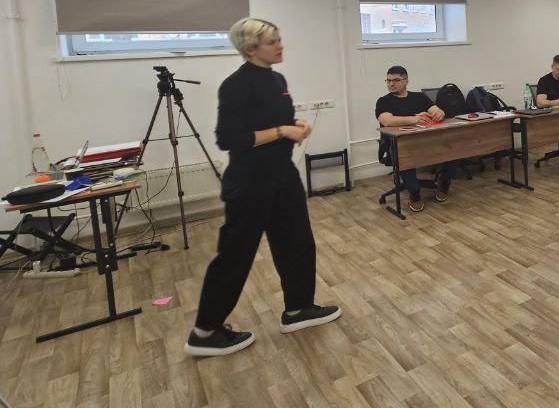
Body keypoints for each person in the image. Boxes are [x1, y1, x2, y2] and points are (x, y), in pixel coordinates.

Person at [185, 18, 340, 357]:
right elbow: (229, 138)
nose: (280, 46)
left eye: (279, 39)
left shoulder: (276, 79)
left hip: (282, 174)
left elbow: (272, 121)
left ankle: (298, 309)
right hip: (250, 180)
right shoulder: (236, 85)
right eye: (272, 42)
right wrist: (283, 131)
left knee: (297, 242)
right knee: (236, 254)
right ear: (250, 48)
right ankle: (205, 332)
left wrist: (296, 125)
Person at [375, 65, 459, 211]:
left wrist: (439, 113)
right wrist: (414, 119)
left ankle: (444, 182)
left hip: (426, 141)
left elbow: (436, 110)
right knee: (404, 154)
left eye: (396, 80)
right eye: (388, 80)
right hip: (399, 144)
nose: (391, 84)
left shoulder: (419, 97)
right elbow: (387, 120)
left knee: (454, 147)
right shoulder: (383, 101)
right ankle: (414, 193)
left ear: (406, 81)